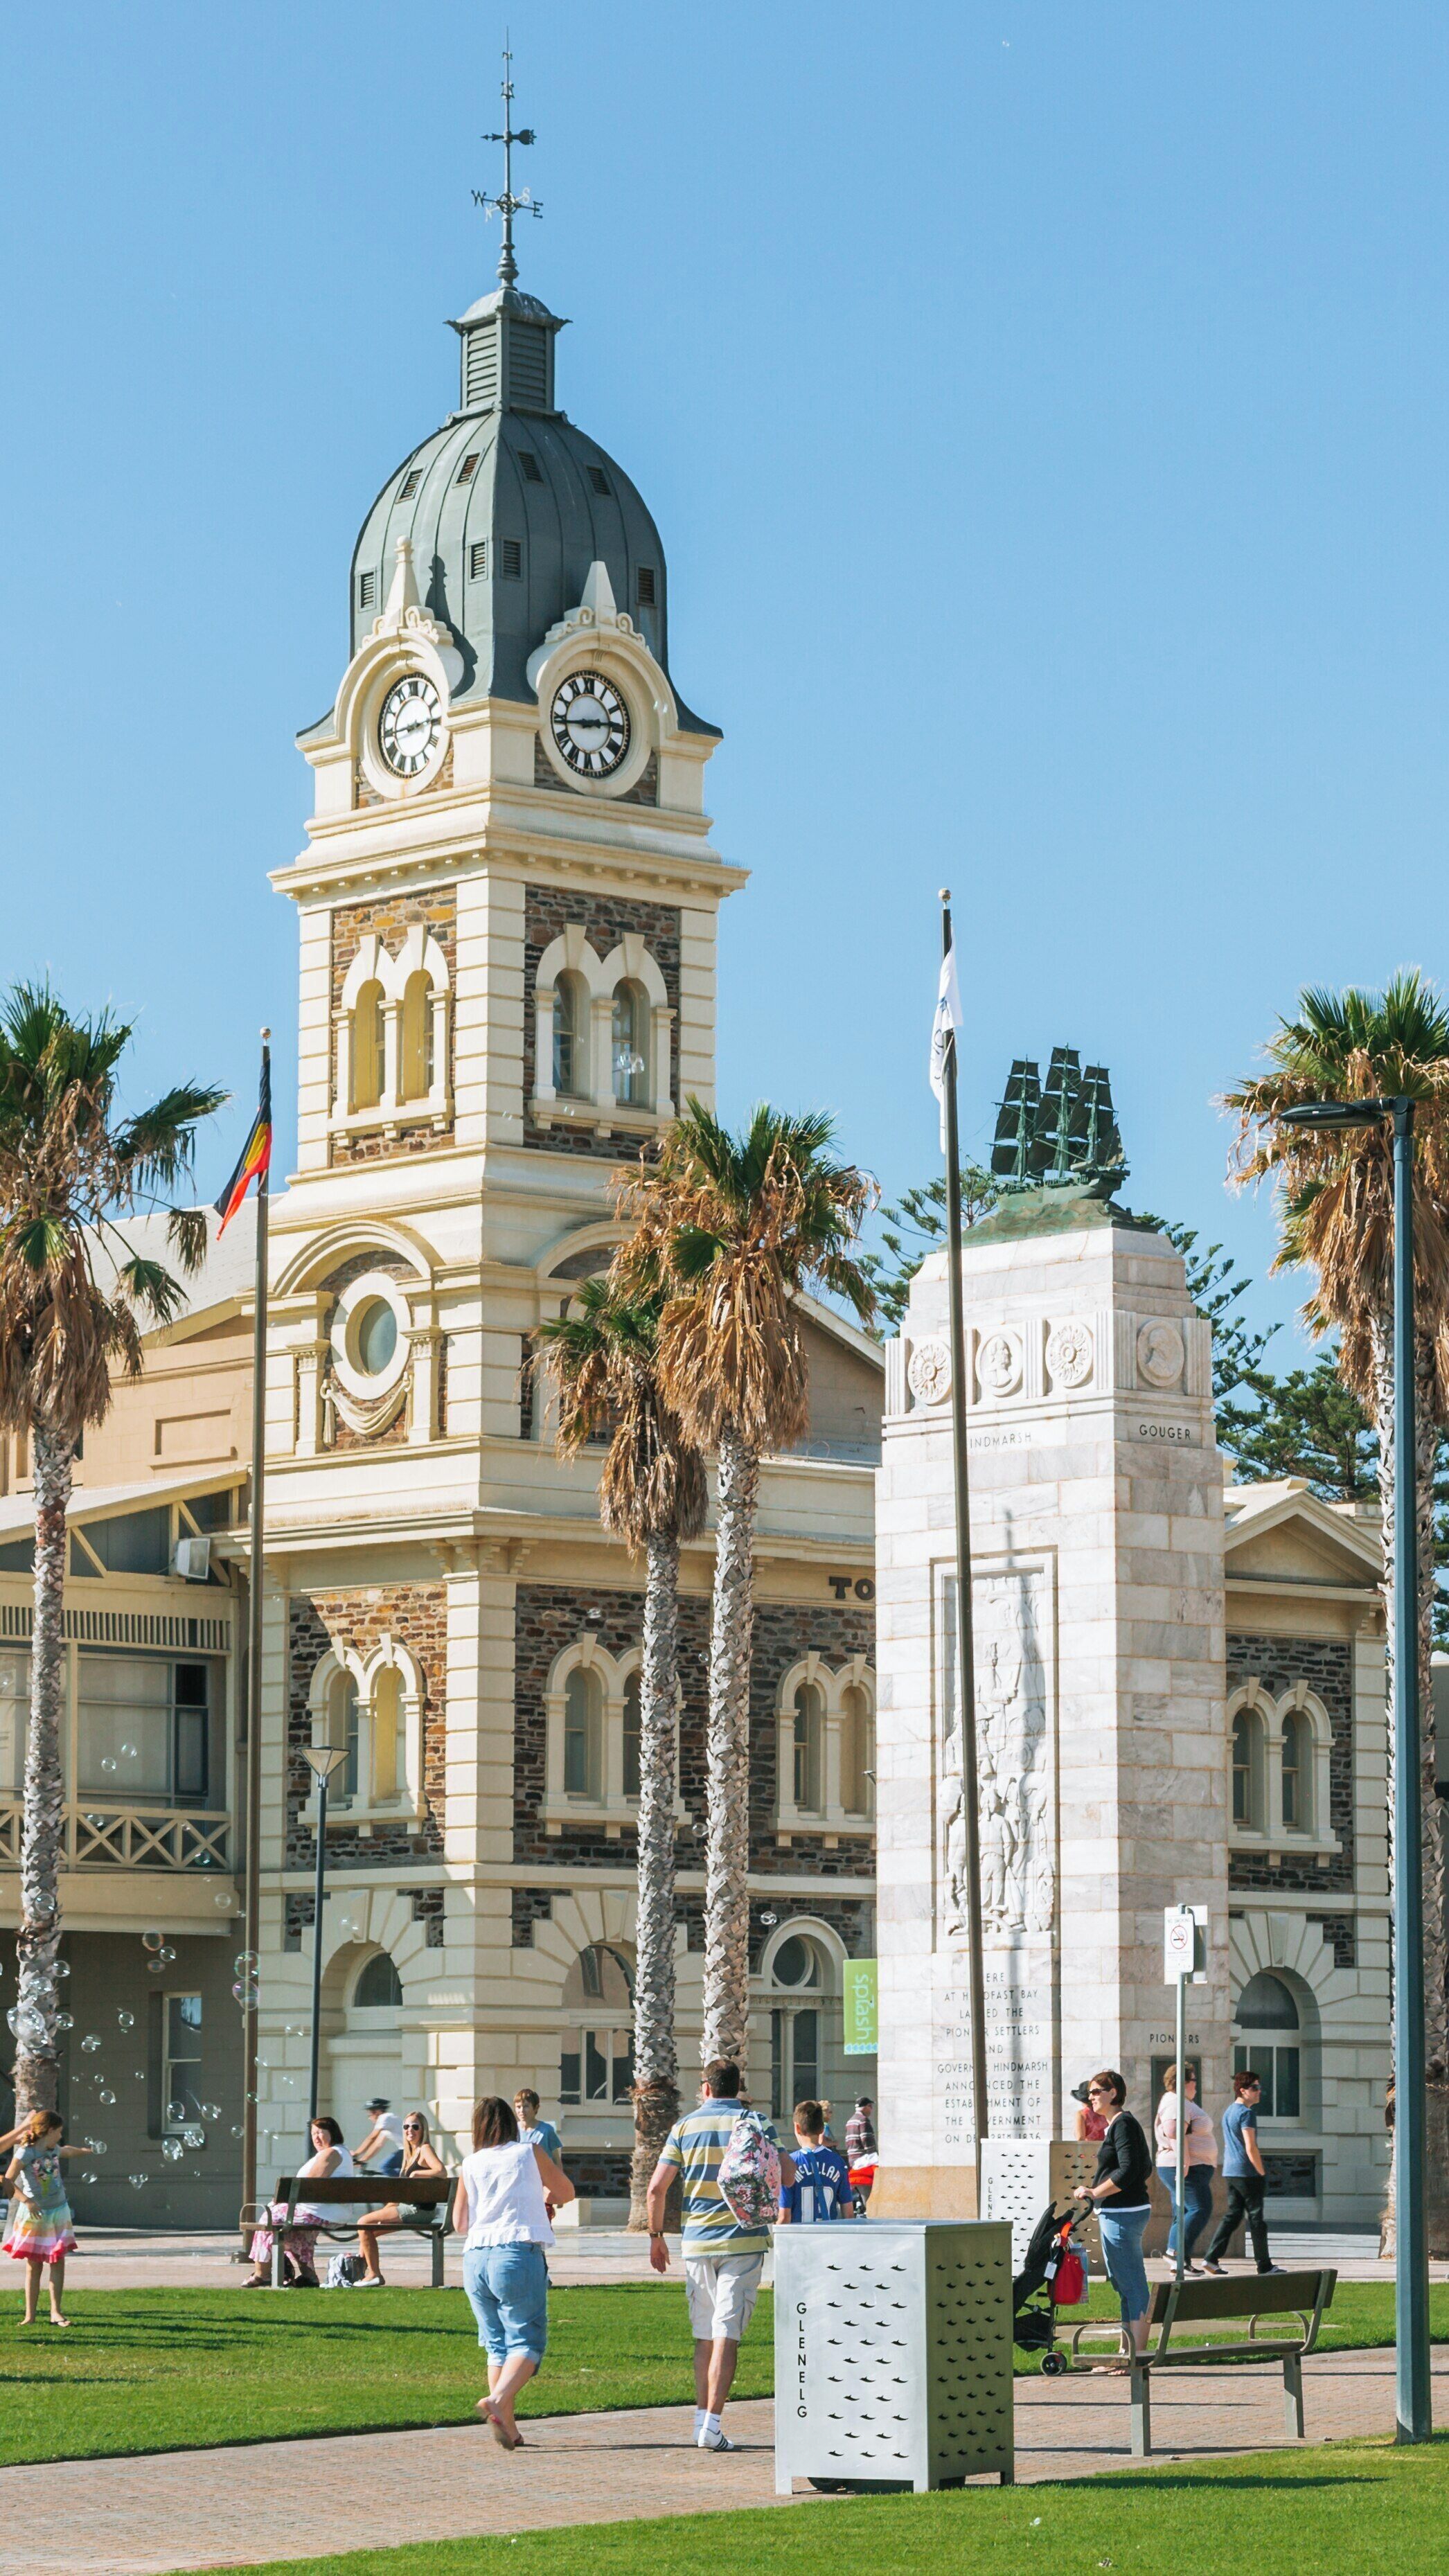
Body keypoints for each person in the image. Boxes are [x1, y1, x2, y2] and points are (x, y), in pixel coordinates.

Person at [646, 2059, 794, 2453]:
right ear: (738, 2088)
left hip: (697, 2243)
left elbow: (657, 2189)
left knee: (704, 2335)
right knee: (727, 2333)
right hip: (743, 2241)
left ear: (706, 2088)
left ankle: (701, 2420)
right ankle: (712, 2425)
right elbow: (789, 2173)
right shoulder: (757, 2121)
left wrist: (656, 2236)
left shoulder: (684, 2127)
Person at [453, 2095, 574, 2449]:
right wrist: (540, 2196)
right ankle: (496, 2400)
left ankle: (509, 2426)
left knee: (496, 2346)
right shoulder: (530, 2152)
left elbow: (461, 2222)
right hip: (516, 2252)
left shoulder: (470, 2163)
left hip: (475, 2258)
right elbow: (565, 2190)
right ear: (510, 2122)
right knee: (527, 2341)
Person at [1072, 2070, 1154, 2359]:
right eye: (1090, 2093)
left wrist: (1095, 2192)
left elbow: (1130, 2170)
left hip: (1123, 2214)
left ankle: (1136, 2354)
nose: (1091, 2098)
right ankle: (1126, 2351)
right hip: (1121, 2212)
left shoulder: (1123, 2125)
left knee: (1131, 2284)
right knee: (1123, 2283)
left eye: (1096, 2092)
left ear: (1113, 2094)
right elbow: (1144, 2167)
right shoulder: (1119, 2126)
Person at [245, 2115, 354, 2288]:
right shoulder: (342, 2152)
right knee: (297, 2233)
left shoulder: (331, 2153)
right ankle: (309, 2277)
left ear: (332, 2133)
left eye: (321, 2132)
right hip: (327, 2212)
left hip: (319, 2212)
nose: (316, 2137)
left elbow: (308, 2186)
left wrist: (280, 2202)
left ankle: (262, 2273)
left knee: (268, 2219)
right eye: (313, 2134)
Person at [3, 2109, 82, 2325]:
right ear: (49, 2131)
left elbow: (67, 2151)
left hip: (58, 2212)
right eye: (59, 2132)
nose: (60, 2136)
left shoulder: (54, 2148)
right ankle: (30, 2316)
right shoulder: (25, 2153)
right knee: (34, 2265)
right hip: (35, 2215)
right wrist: (27, 2201)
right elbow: (7, 2180)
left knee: (58, 2261)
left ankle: (56, 2312)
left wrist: (86, 2151)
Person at [1202, 2071, 1280, 2276]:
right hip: (1247, 2172)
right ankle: (1264, 2265)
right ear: (1243, 2091)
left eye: (1259, 2087)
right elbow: (1250, 2146)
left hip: (1231, 2170)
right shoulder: (1247, 2114)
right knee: (1256, 2219)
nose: (1259, 2091)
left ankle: (1211, 2259)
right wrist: (1261, 2171)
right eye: (1254, 2088)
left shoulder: (1229, 2111)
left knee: (1233, 2215)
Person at [356, 2111, 447, 2285]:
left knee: (363, 2222)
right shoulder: (408, 2154)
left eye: (415, 2127)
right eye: (406, 2126)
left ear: (423, 2130)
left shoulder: (424, 2149)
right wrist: (386, 2210)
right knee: (368, 2231)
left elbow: (441, 2171)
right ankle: (362, 2272)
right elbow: (400, 2194)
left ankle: (374, 2275)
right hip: (410, 2207)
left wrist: (418, 2174)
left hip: (418, 2210)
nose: (409, 2130)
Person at [1153, 2063, 1216, 2272]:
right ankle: (1175, 2252)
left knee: (1184, 2210)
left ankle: (1181, 2260)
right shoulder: (1174, 2103)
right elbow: (1173, 2131)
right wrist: (1185, 2161)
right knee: (1200, 2208)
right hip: (1183, 2167)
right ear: (1185, 2082)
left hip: (1190, 2166)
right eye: (1194, 2080)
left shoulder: (1180, 2102)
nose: (1197, 2085)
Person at [779, 2099, 851, 2223]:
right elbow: (849, 2214)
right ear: (822, 2128)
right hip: (827, 2237)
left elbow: (784, 2217)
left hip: (799, 2238)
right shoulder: (838, 2162)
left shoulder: (789, 2164)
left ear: (797, 2128)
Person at [353, 2099, 407, 2178]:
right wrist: (363, 2160)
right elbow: (378, 2145)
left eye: (369, 2115)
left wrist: (356, 2154)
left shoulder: (385, 2117)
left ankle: (406, 2184)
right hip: (406, 2149)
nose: (369, 2118)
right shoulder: (387, 2124)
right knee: (393, 2170)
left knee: (385, 2167)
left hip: (408, 2149)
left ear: (376, 2112)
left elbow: (372, 2138)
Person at [513, 2089, 563, 2165]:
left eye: (526, 2106)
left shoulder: (546, 2130)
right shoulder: (512, 2130)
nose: (522, 2111)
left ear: (536, 2108)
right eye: (518, 2107)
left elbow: (556, 2160)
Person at [1072, 2078, 1108, 2144]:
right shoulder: (1103, 2112)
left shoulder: (1081, 2114)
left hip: (1089, 2149)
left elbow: (1080, 2138)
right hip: (1104, 2147)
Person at [844, 2097, 876, 2162]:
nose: (872, 2109)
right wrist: (873, 2156)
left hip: (852, 2160)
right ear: (865, 2107)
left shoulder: (850, 2121)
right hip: (863, 2160)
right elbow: (866, 2139)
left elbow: (848, 2142)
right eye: (870, 2106)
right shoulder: (863, 2120)